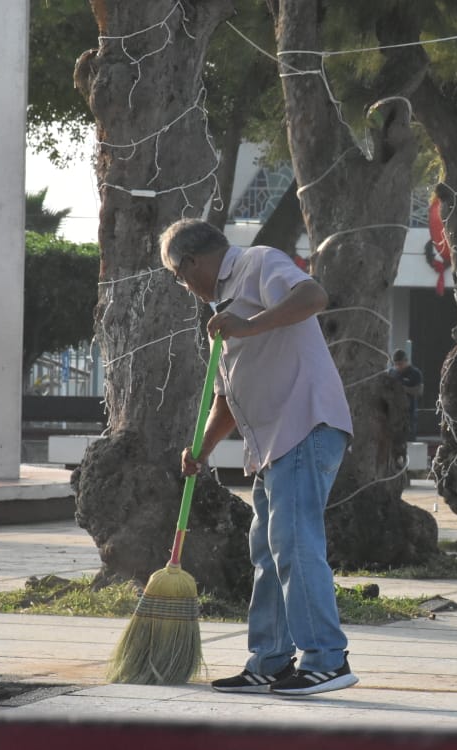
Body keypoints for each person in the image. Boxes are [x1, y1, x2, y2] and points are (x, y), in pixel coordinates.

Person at [159, 218, 357, 696]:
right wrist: (201, 451)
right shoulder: (219, 318)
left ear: (191, 261)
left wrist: (249, 324)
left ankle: (327, 660)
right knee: (267, 553)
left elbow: (313, 297)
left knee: (293, 542)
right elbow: (225, 400)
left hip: (305, 425)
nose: (182, 285)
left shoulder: (258, 262)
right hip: (269, 445)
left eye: (177, 274)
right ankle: (269, 660)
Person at [389, 349, 423, 441]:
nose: (398, 367)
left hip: (409, 413)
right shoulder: (392, 372)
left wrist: (403, 389)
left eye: (400, 364)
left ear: (406, 361)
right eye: (396, 364)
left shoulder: (415, 373)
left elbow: (419, 391)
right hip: (394, 413)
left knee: (408, 439)